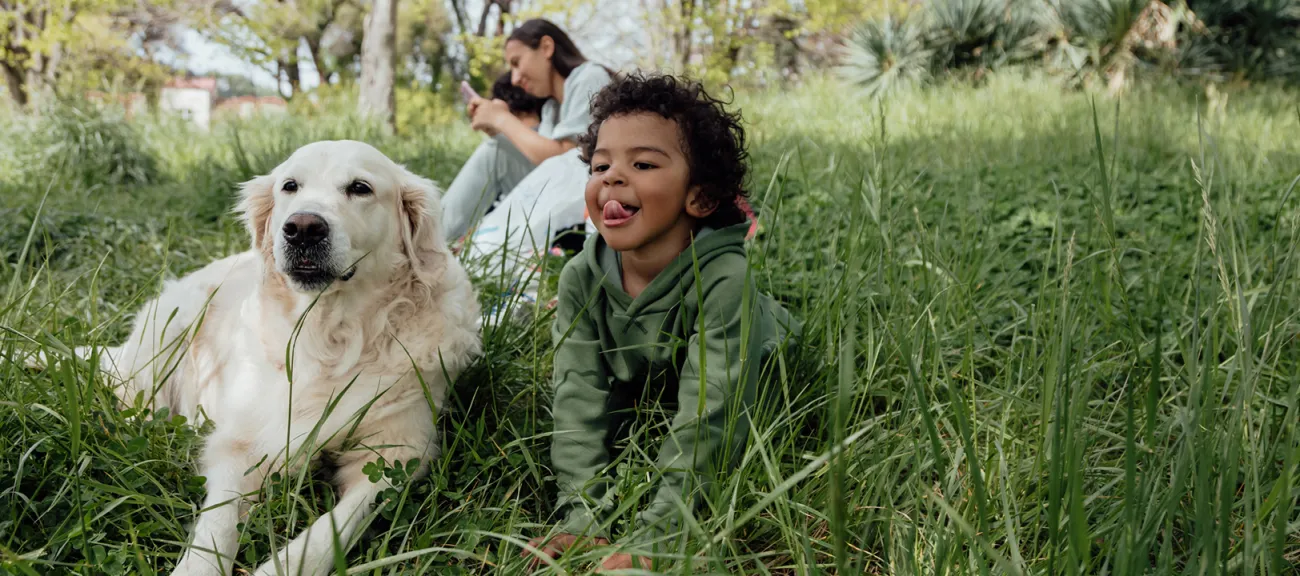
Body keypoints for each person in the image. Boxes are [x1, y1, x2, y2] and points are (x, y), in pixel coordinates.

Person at [524, 74, 800, 571]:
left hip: (758, 358)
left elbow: (711, 414)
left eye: (644, 163)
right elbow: (578, 394)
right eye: (601, 164)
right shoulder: (580, 279)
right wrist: (580, 514)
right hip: (656, 376)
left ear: (699, 197)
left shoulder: (722, 278)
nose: (611, 177)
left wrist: (663, 531)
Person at [440, 19, 614, 273]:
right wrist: (499, 129)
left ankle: (426, 241)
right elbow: (540, 165)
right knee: (497, 150)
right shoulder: (551, 108)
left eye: (516, 63)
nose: (514, 78)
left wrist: (503, 120)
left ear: (546, 47)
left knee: (495, 153)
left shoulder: (589, 76)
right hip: (562, 197)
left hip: (590, 192)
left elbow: (568, 159)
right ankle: (439, 241)